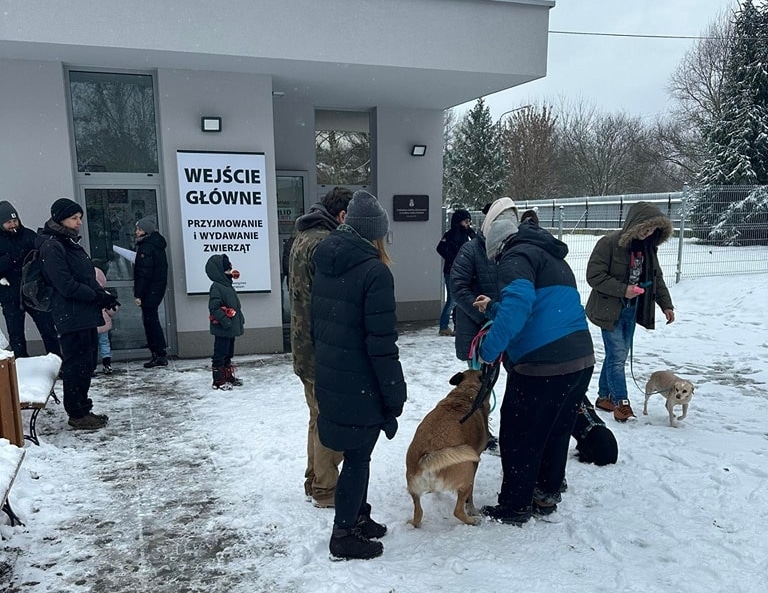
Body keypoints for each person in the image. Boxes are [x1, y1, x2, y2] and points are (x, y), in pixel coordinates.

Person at [473, 199, 595, 525]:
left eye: (493, 255)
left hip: (543, 363)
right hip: (580, 357)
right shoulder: (548, 254)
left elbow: (520, 305)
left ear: (497, 244)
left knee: (518, 433)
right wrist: (495, 307)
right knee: (557, 428)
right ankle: (546, 494)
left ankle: (514, 506)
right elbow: (538, 306)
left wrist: (488, 350)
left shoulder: (515, 256)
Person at [312, 190, 407, 560]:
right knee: (357, 457)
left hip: (335, 378)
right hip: (361, 383)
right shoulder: (374, 272)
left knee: (356, 453)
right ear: (375, 234)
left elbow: (320, 324)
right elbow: (381, 345)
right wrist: (394, 394)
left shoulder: (325, 260)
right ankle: (344, 534)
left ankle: (357, 516)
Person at [288, 187, 351, 508]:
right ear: (341, 216)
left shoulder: (302, 238)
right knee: (329, 418)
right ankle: (326, 487)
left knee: (316, 415)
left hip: (303, 345)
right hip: (321, 348)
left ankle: (314, 479)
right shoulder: (325, 245)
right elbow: (333, 303)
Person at [585, 201, 675, 423]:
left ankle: (604, 396)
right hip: (608, 310)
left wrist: (666, 305)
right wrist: (623, 290)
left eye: (652, 230)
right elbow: (594, 276)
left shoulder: (648, 248)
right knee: (617, 357)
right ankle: (621, 402)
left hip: (632, 310)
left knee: (618, 355)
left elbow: (657, 279)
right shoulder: (608, 243)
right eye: (644, 228)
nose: (647, 233)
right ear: (633, 225)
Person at [39, 197, 117, 430]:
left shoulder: (70, 242)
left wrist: (103, 294)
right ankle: (77, 413)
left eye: (80, 218)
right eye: (74, 218)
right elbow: (66, 285)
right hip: (70, 316)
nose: (79, 222)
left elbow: (86, 277)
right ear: (61, 219)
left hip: (82, 313)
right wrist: (96, 296)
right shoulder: (52, 246)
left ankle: (84, 408)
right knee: (77, 365)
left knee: (87, 363)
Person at [0, 200, 60, 358]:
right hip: (10, 295)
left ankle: (57, 362)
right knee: (16, 334)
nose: (13, 225)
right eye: (8, 222)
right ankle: (21, 367)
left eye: (15, 220)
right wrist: (9, 260)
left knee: (48, 330)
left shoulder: (29, 235)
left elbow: (43, 258)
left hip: (35, 292)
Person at [133, 217, 169, 369]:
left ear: (146, 231)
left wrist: (139, 294)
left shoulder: (146, 247)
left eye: (139, 229)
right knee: (151, 320)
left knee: (150, 321)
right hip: (156, 287)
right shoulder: (156, 245)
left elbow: (144, 273)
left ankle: (158, 353)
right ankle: (159, 351)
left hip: (150, 290)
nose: (137, 232)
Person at [205, 254, 245, 390]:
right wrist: (226, 321)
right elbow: (214, 308)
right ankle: (218, 380)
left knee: (228, 352)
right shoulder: (217, 287)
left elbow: (235, 306)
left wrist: (239, 319)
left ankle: (227, 375)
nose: (230, 273)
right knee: (220, 353)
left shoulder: (227, 285)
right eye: (227, 271)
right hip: (223, 328)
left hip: (230, 327)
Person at [436, 209, 475, 336]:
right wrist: (454, 259)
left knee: (458, 299)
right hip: (451, 270)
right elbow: (440, 248)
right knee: (453, 299)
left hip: (462, 271)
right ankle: (444, 325)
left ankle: (456, 325)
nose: (468, 224)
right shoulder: (451, 235)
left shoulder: (467, 235)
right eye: (466, 221)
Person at [95, 264, 118, 374]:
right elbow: (112, 310)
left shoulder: (85, 294)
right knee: (104, 343)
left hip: (91, 325)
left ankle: (92, 367)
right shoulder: (105, 294)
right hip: (103, 324)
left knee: (92, 346)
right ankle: (107, 364)